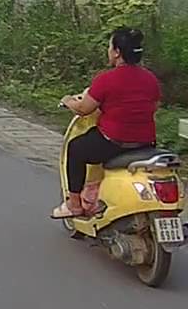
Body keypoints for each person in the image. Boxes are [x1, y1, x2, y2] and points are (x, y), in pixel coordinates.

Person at [52, 27, 161, 219]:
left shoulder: (106, 79)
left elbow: (84, 109)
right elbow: (154, 106)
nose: (108, 51)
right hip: (146, 143)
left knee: (75, 148)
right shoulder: (150, 78)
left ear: (117, 52)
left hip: (114, 143)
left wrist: (68, 101)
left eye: (110, 47)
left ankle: (74, 205)